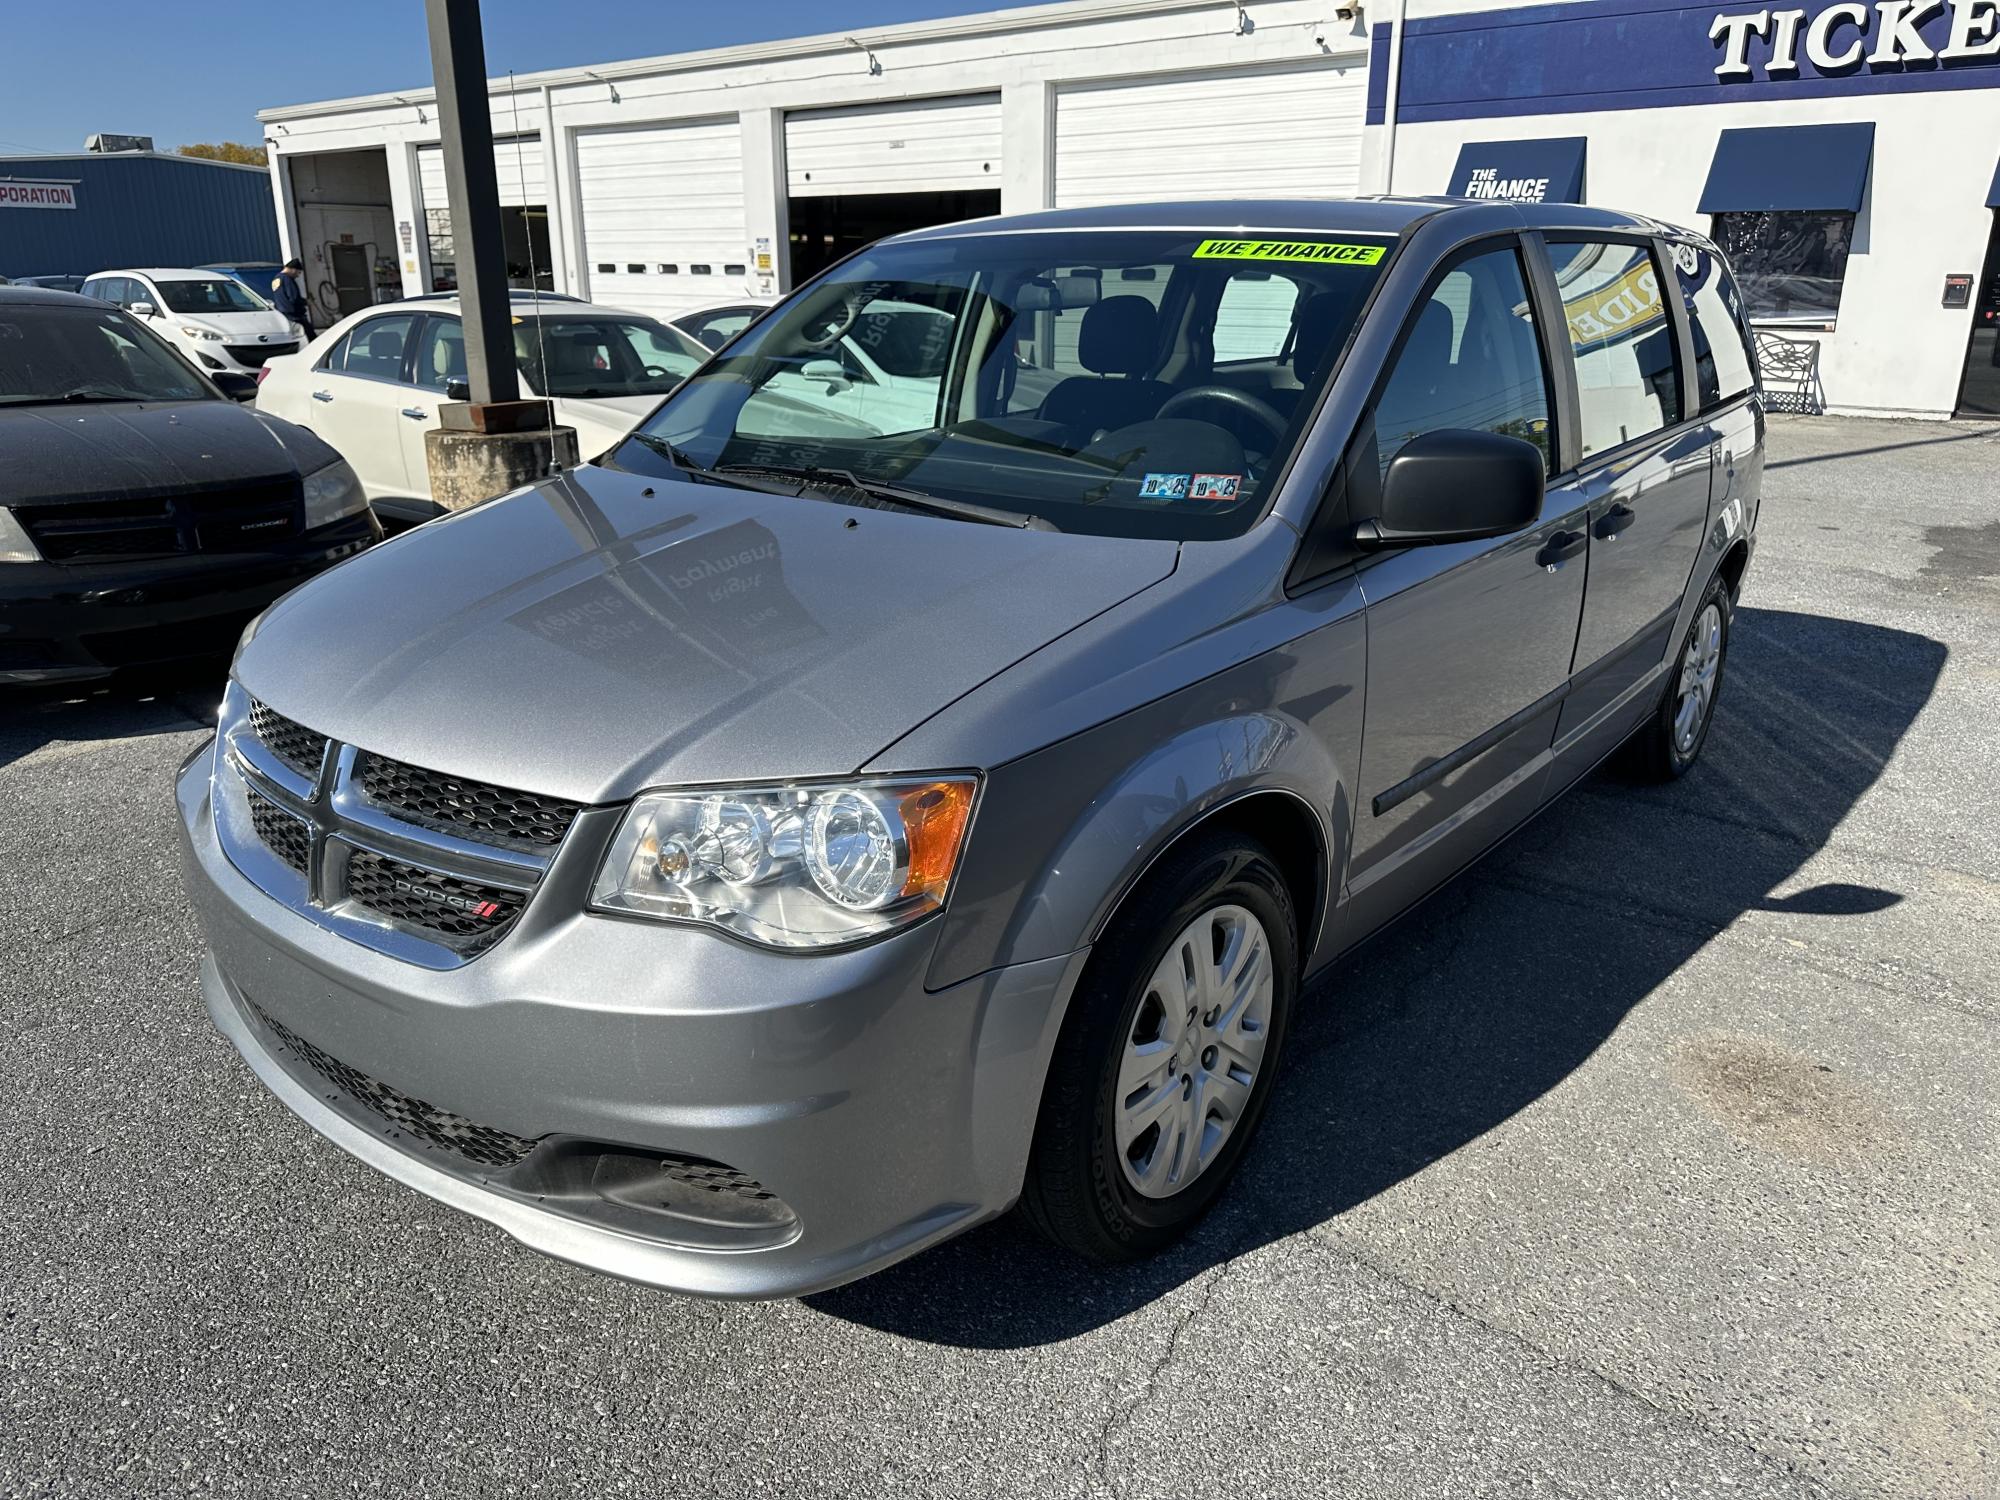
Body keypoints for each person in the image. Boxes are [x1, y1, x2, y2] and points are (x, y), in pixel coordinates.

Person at [270, 258, 314, 340]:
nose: (298, 275)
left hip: (283, 315)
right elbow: (294, 298)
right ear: (293, 269)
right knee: (312, 339)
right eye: (298, 272)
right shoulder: (288, 280)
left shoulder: (276, 279)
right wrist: (306, 302)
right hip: (295, 316)